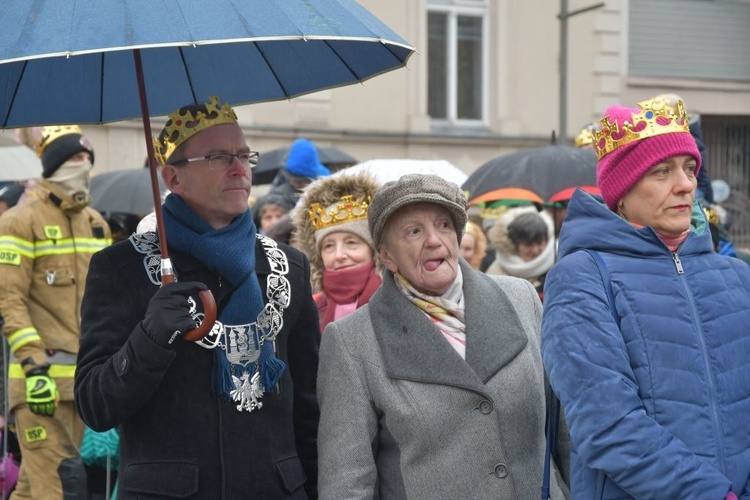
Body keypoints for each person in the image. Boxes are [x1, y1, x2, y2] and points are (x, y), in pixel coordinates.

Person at [74, 96, 321, 499]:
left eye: (244, 154)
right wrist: (149, 338)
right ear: (173, 178)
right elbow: (95, 406)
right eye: (219, 157)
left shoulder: (288, 266)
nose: (240, 168)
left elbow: (309, 410)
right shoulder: (122, 268)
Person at [541, 97, 750, 499]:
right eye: (661, 171)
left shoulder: (737, 277)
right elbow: (607, 425)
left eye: (689, 168)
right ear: (621, 192)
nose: (686, 184)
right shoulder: (582, 277)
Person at [317, 174, 567, 499]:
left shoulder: (520, 299)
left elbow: (565, 430)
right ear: (387, 256)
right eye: (414, 231)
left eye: (444, 225)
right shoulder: (352, 341)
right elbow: (346, 483)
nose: (435, 240)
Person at [0, 125, 111, 499]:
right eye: (74, 159)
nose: (82, 166)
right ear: (53, 165)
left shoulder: (96, 224)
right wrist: (33, 366)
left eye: (87, 159)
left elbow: (106, 305)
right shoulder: (19, 221)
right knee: (62, 488)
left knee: (32, 490)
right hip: (39, 384)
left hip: (81, 386)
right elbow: (7, 300)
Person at [292, 171, 381, 332]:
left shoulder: (400, 303)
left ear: (374, 250)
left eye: (351, 243)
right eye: (329, 246)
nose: (339, 255)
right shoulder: (308, 309)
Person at [486, 206, 555, 296]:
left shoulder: (557, 267)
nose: (535, 250)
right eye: (528, 244)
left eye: (540, 243)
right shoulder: (496, 275)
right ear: (515, 245)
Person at [268, 138, 330, 205]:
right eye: (293, 180)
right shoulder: (282, 186)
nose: (294, 185)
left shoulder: (324, 185)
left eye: (300, 182)